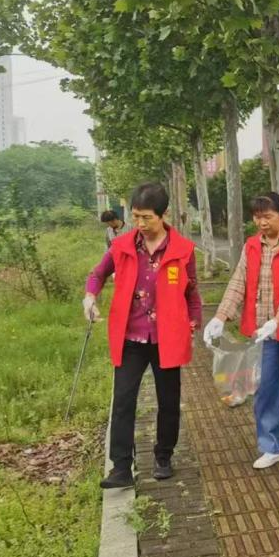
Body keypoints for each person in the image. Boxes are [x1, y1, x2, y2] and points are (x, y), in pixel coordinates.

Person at [83, 182, 201, 489]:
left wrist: (195, 319)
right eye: (135, 216)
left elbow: (191, 290)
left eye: (146, 217)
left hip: (167, 337)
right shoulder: (121, 246)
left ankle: (163, 456)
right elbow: (97, 274)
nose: (140, 223)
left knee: (169, 401)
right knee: (123, 400)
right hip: (130, 337)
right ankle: (121, 466)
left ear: (163, 215)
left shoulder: (183, 250)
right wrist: (90, 297)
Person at [204, 192, 279, 477]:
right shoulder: (252, 246)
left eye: (267, 216)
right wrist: (220, 317)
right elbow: (238, 281)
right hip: (261, 333)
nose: (261, 222)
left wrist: (277, 319)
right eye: (257, 217)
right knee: (264, 389)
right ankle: (273, 446)